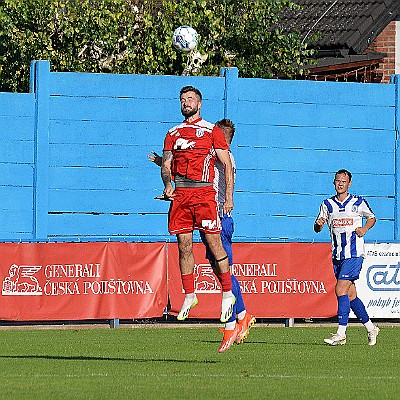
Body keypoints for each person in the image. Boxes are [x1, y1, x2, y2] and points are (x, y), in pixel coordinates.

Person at [149, 119, 256, 353]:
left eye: (222, 137)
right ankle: (239, 315)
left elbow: (211, 174)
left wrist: (228, 199)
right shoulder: (208, 151)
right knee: (218, 268)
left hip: (219, 215)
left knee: (222, 268)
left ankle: (239, 317)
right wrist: (164, 164)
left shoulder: (223, 158)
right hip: (204, 213)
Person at [161, 85, 236, 327]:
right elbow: (166, 165)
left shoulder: (211, 131)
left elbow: (226, 165)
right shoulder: (173, 133)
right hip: (181, 195)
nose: (186, 103)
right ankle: (190, 295)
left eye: (190, 99)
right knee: (183, 245)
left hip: (204, 193)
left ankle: (227, 294)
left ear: (199, 104)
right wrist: (167, 185)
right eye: (183, 99)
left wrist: (228, 197)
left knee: (214, 245)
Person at [314, 169, 379, 346]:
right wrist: (318, 224)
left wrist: (364, 229)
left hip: (354, 254)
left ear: (349, 183)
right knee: (351, 296)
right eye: (337, 181)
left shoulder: (358, 202)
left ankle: (341, 333)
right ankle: (371, 328)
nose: (340, 184)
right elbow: (317, 226)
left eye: (344, 181)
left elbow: (372, 218)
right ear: (334, 183)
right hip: (338, 255)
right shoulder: (327, 204)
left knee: (340, 290)